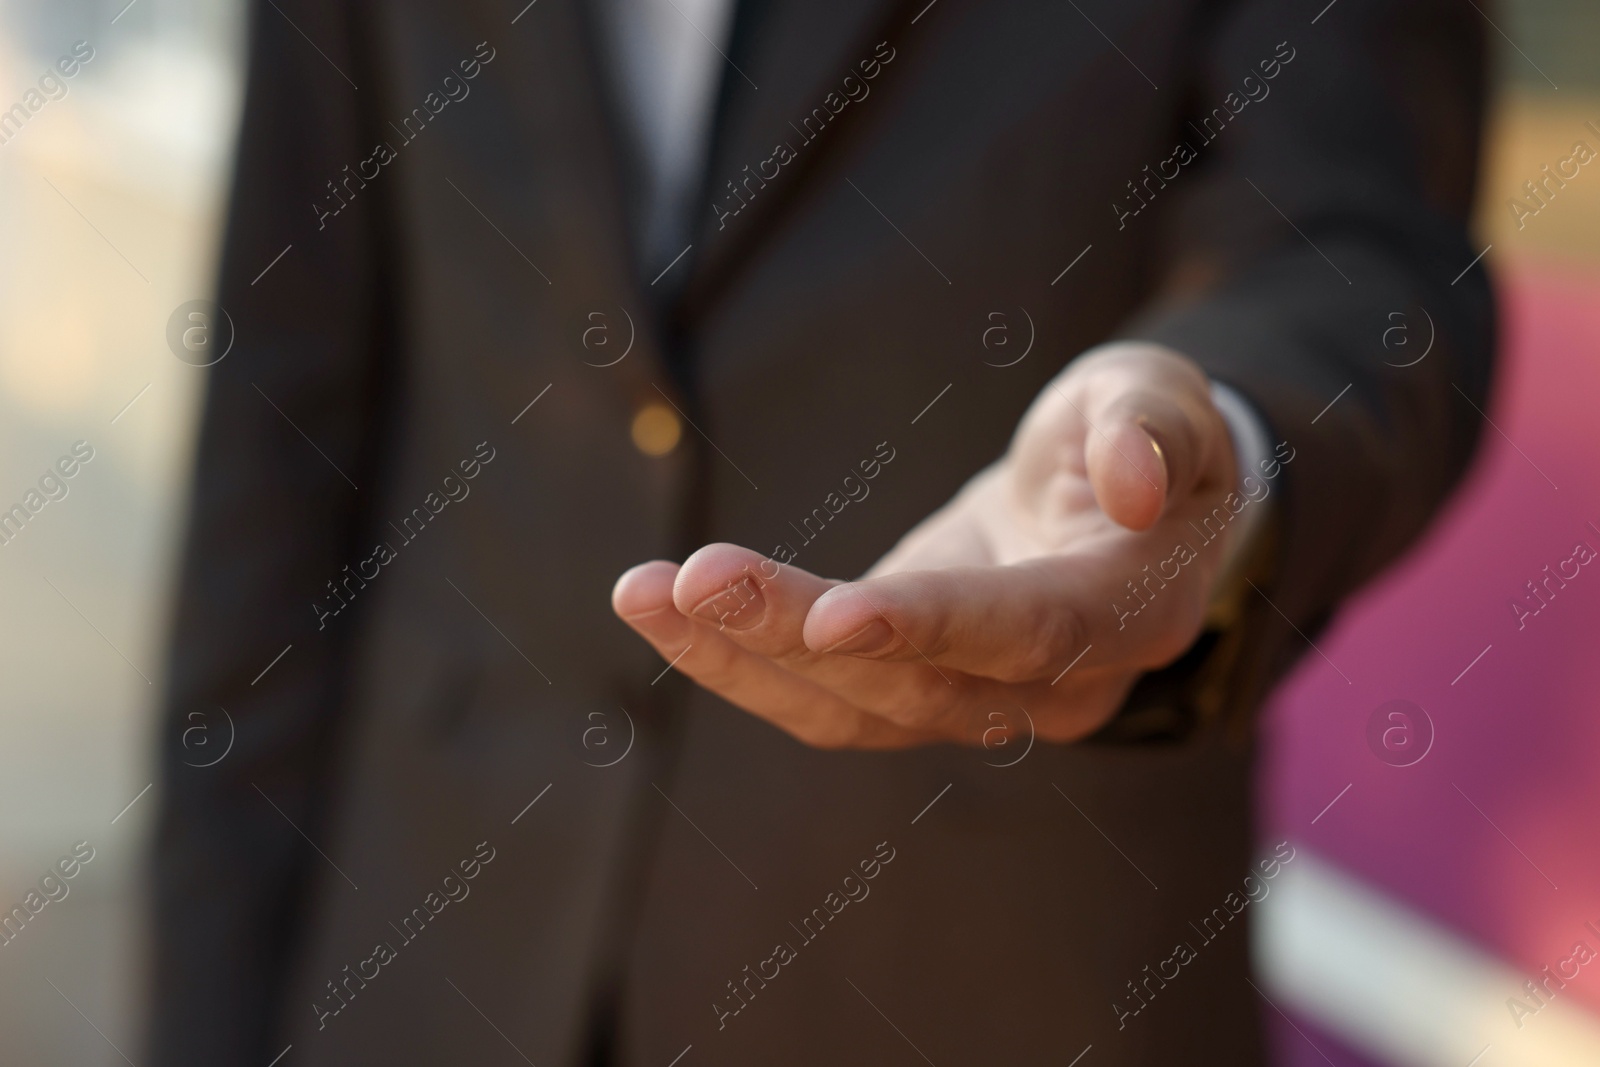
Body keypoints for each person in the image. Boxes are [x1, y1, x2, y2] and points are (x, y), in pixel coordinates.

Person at [149, 0, 1493, 1064]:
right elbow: (286, 413)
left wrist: (1224, 435)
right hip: (426, 954)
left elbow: (1359, 244)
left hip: (982, 978)